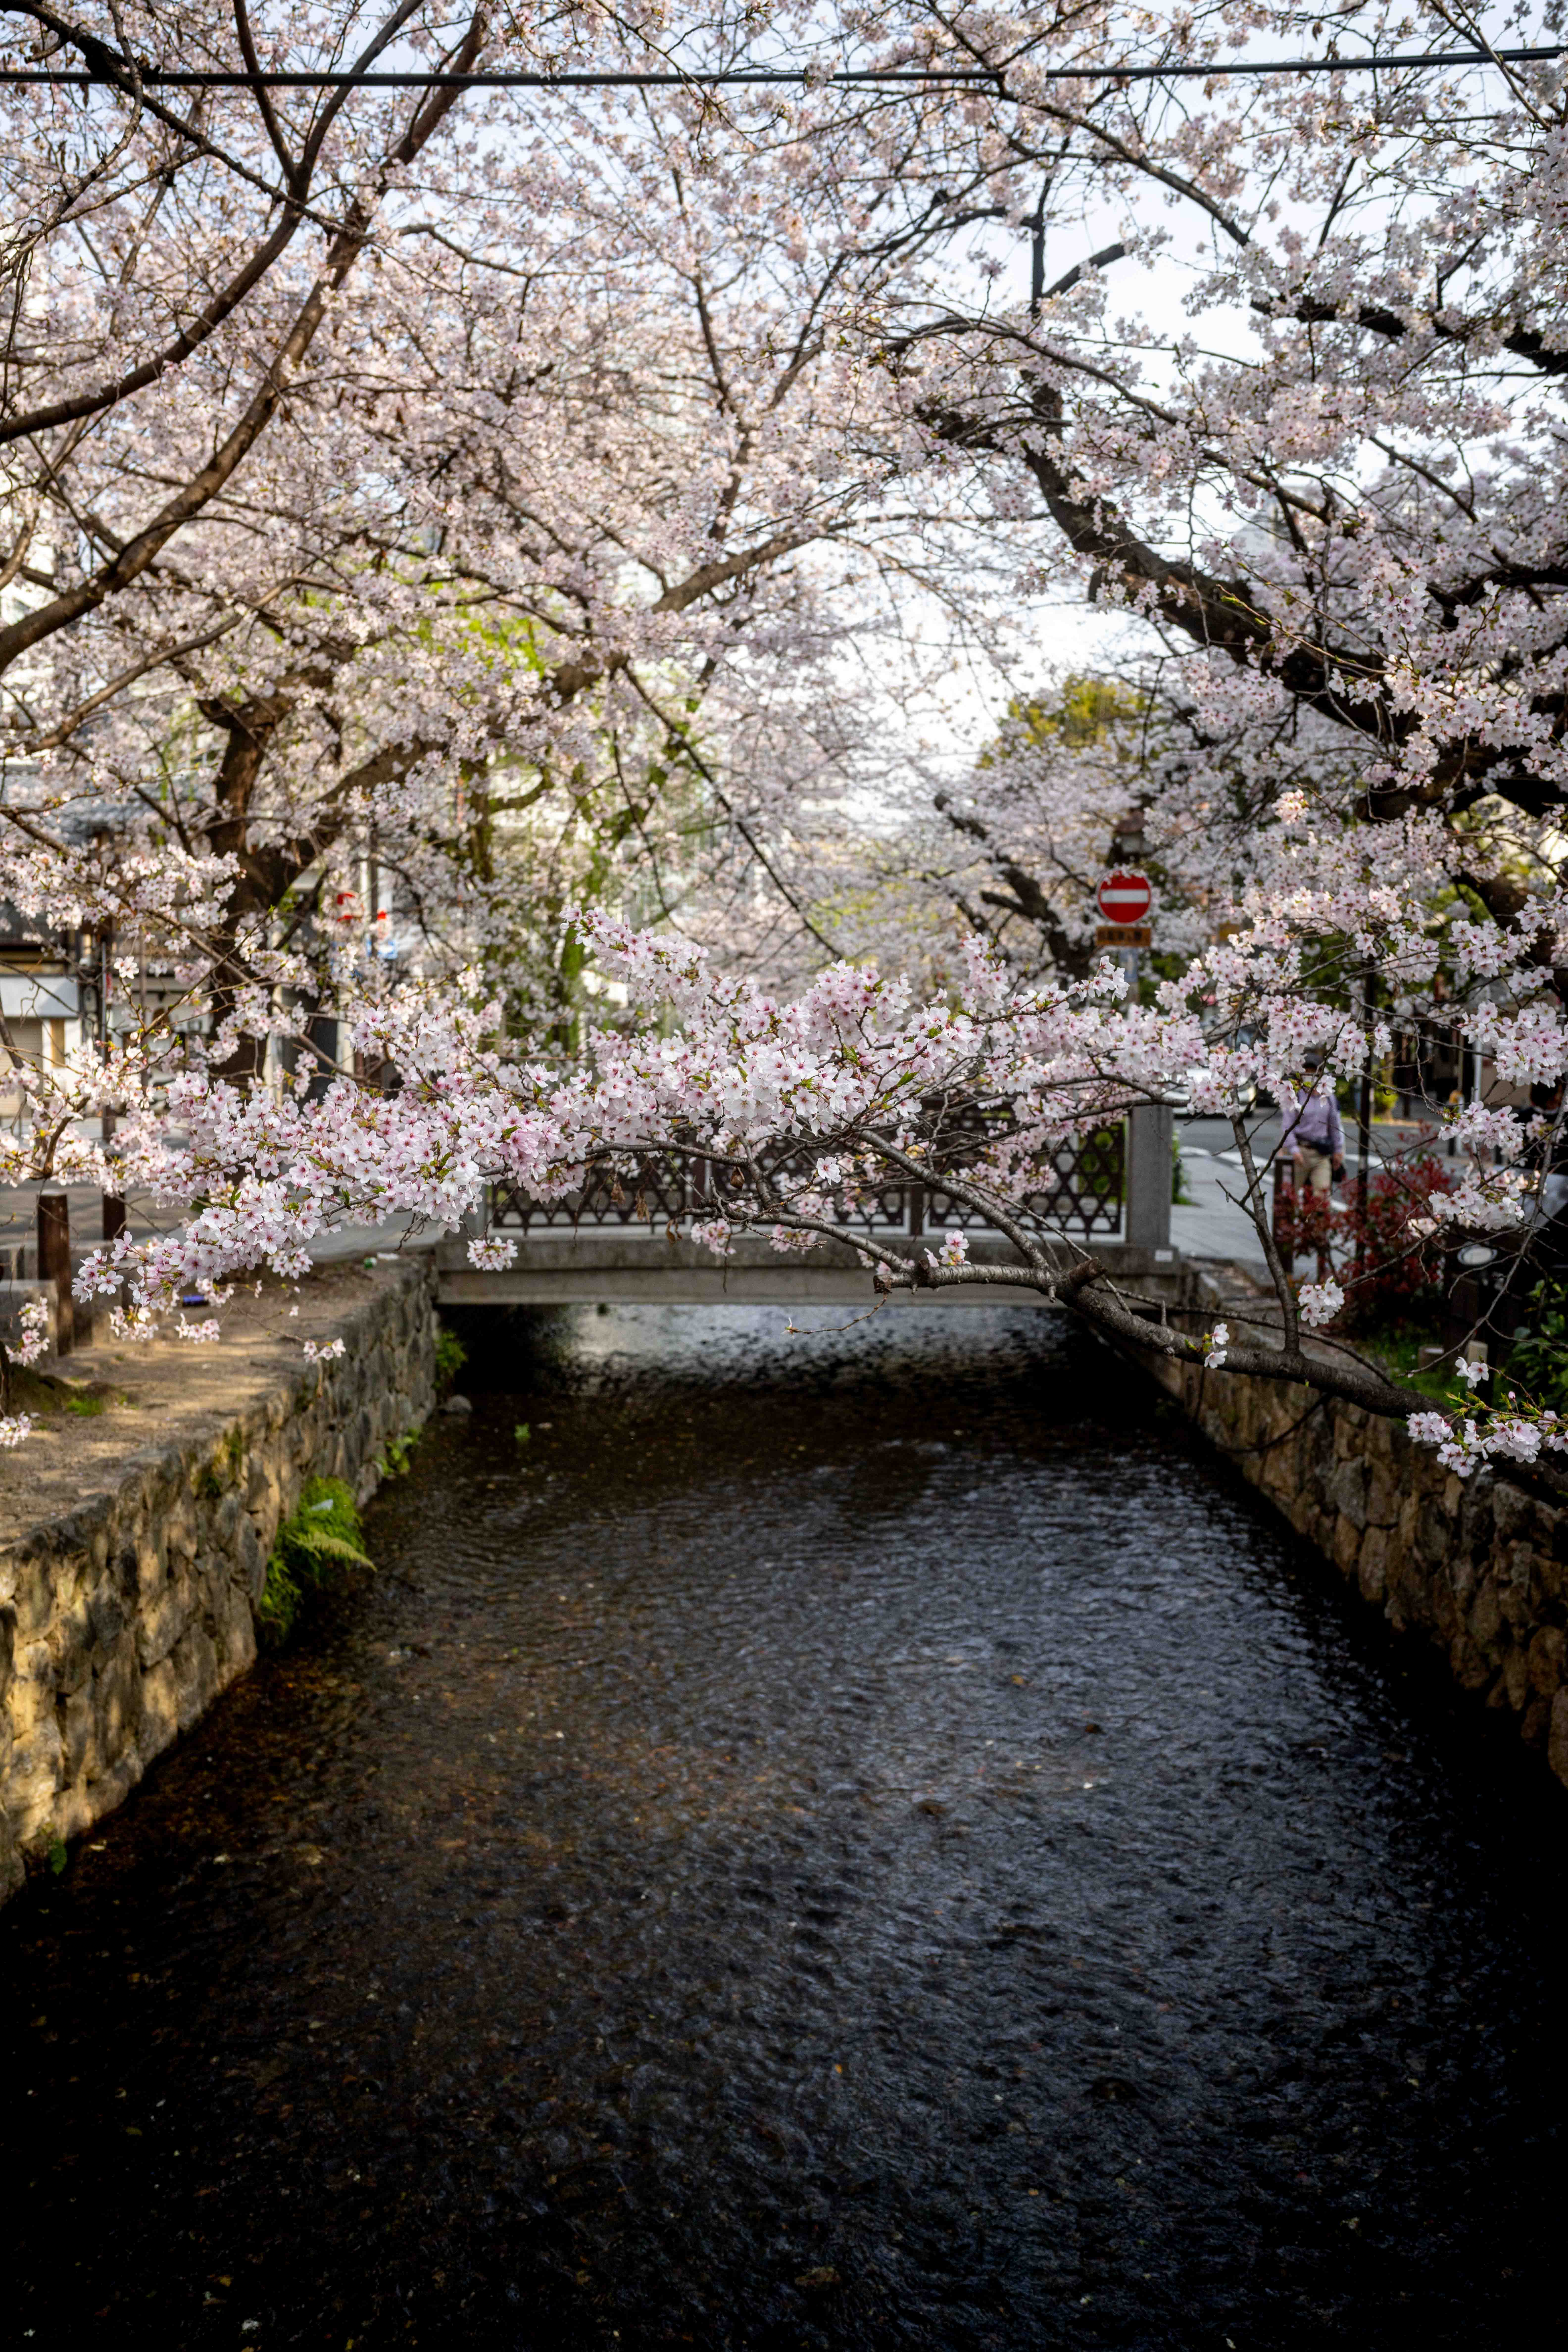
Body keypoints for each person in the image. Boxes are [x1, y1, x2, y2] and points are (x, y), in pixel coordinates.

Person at [1280, 1051, 1346, 1196]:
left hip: (1321, 1154)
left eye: (1314, 1071)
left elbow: (1335, 1125)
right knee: (1289, 1196)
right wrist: (1293, 1150)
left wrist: (1338, 1150)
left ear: (1321, 1074)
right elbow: (1287, 1126)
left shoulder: (1328, 1096)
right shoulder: (1296, 1095)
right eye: (1307, 1072)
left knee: (1322, 1195)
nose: (1311, 1075)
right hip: (1300, 1152)